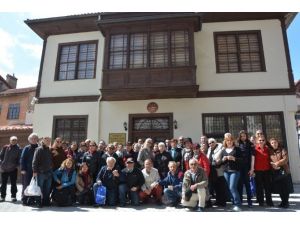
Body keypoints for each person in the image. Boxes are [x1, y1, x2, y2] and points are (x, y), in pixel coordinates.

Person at [221, 134, 242, 212]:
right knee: (229, 189)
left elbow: (242, 160)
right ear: (225, 141)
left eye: (230, 140)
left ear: (233, 141)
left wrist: (234, 158)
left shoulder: (237, 149)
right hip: (226, 172)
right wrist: (223, 159)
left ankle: (238, 204)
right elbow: (221, 163)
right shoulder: (223, 150)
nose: (229, 142)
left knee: (232, 187)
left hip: (235, 171)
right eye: (227, 140)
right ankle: (233, 204)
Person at [269, 138, 292, 208]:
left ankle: (286, 202)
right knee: (280, 188)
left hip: (284, 171)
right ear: (270, 144)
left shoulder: (282, 149)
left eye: (275, 142)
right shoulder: (270, 151)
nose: (274, 144)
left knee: (285, 188)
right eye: (272, 143)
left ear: (277, 143)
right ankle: (283, 202)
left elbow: (285, 159)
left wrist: (277, 164)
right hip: (275, 172)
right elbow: (268, 160)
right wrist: (272, 165)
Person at [206, 138, 227, 206]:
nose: (211, 144)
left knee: (221, 187)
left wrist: (219, 162)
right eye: (209, 143)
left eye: (212, 142)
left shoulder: (221, 148)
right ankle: (218, 201)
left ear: (215, 142)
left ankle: (223, 202)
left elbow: (224, 159)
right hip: (212, 171)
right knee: (216, 187)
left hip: (219, 170)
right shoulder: (209, 149)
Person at [32, 137, 53, 207]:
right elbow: (35, 161)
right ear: (43, 141)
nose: (48, 142)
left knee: (47, 188)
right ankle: (38, 202)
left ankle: (45, 201)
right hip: (41, 173)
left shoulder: (49, 150)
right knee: (39, 188)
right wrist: (34, 171)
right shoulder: (39, 149)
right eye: (47, 141)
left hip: (49, 173)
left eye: (49, 141)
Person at [254, 135, 274, 207]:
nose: (261, 141)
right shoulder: (255, 149)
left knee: (267, 187)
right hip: (258, 171)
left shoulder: (267, 149)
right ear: (257, 141)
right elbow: (252, 160)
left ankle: (269, 202)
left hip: (266, 171)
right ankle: (261, 201)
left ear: (265, 141)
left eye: (263, 140)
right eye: (260, 140)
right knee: (259, 187)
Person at [0, 136, 21, 202]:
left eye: (15, 140)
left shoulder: (18, 149)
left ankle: (13, 196)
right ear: (10, 141)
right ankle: (2, 197)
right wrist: (1, 166)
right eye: (12, 140)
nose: (13, 141)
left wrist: (17, 165)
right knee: (3, 184)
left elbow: (19, 159)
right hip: (4, 169)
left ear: (17, 141)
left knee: (13, 183)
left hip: (13, 169)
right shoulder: (5, 147)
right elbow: (1, 156)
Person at [237, 130, 255, 207]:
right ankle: (240, 200)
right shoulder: (237, 144)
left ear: (246, 136)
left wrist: (252, 169)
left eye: (244, 136)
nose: (243, 137)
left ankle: (249, 201)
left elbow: (253, 157)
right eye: (241, 136)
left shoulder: (250, 144)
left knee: (248, 185)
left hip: (247, 167)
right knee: (239, 185)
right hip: (239, 167)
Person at [20, 133, 39, 203]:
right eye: (32, 138)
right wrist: (23, 169)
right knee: (26, 185)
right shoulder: (26, 148)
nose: (33, 140)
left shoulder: (39, 147)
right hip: (27, 170)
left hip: (36, 170)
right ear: (29, 140)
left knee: (34, 185)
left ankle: (31, 199)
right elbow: (22, 159)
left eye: (35, 138)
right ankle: (24, 199)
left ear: (37, 139)